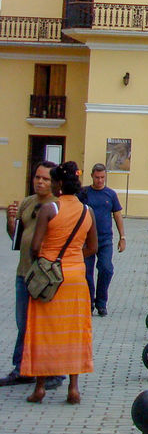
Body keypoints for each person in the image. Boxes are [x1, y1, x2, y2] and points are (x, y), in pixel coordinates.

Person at [22, 161, 97, 404]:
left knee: (43, 331)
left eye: (53, 181)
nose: (51, 185)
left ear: (60, 184)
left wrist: (47, 260)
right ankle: (73, 388)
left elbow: (35, 246)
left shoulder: (50, 208)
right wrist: (73, 257)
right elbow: (93, 247)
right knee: (74, 331)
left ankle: (40, 387)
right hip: (76, 278)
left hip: (51, 280)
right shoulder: (88, 211)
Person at [2, 161, 63, 388]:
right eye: (37, 177)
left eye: (45, 179)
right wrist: (10, 222)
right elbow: (17, 240)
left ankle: (52, 371)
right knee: (23, 323)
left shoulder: (57, 206)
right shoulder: (27, 203)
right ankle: (21, 368)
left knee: (47, 326)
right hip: (24, 273)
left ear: (54, 182)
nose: (40, 181)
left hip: (46, 278)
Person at [80, 163, 125, 315]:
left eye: (102, 178)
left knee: (106, 269)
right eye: (97, 177)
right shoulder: (84, 193)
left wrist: (122, 237)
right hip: (86, 239)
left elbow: (117, 215)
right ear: (92, 176)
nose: (100, 180)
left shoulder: (110, 194)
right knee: (87, 272)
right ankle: (88, 301)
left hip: (105, 239)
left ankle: (101, 302)